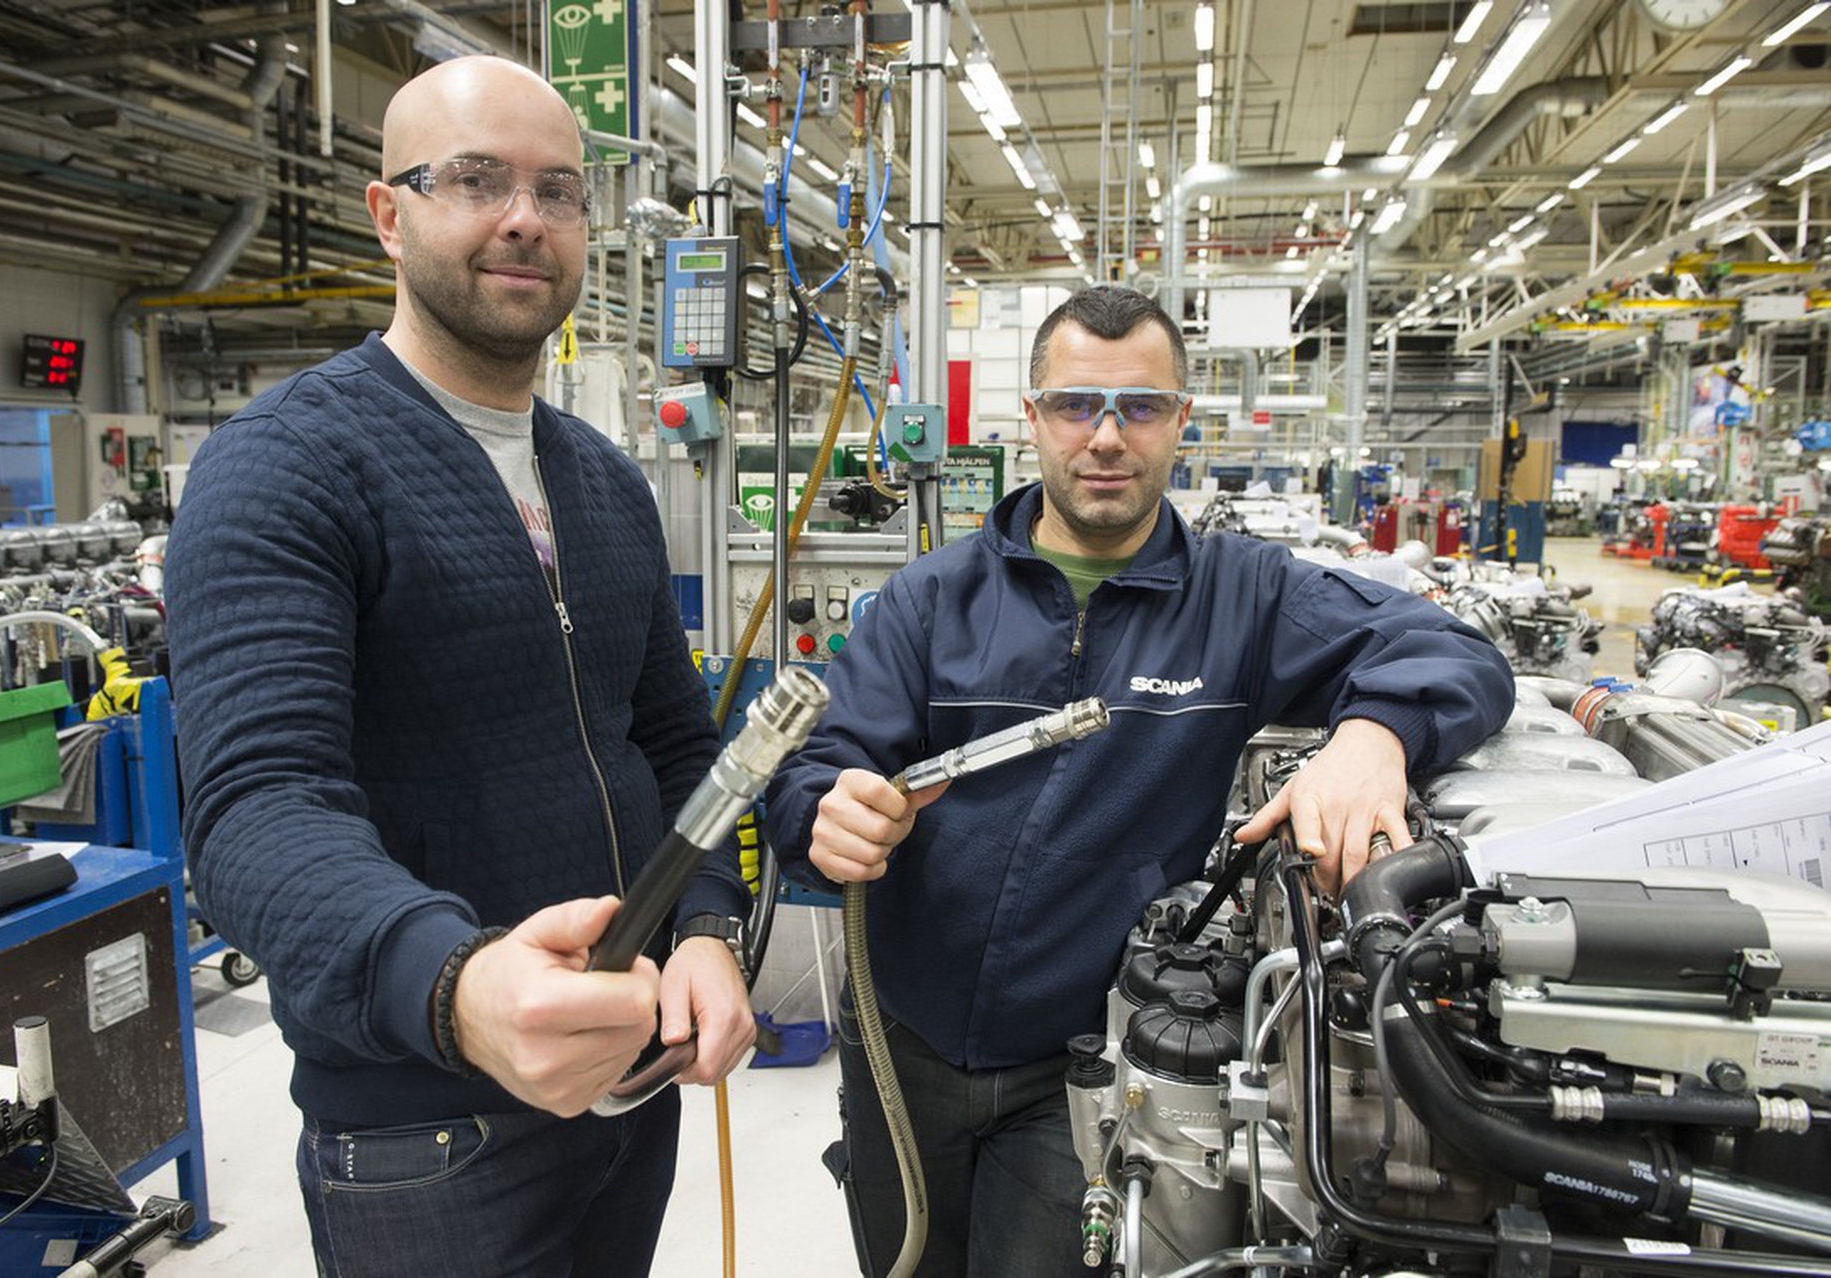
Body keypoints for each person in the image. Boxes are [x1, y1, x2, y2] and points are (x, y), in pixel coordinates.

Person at [764, 286, 1515, 1277]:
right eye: (1077, 405)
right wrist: (827, 812)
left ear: (1181, 424)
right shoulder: (930, 601)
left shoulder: (1242, 597)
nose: (1106, 438)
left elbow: (1456, 652)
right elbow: (810, 774)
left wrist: (1375, 735)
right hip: (899, 1048)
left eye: (1140, 408)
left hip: (1075, 1073)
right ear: (1032, 419)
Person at [165, 56, 754, 1278]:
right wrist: (457, 984)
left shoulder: (605, 480)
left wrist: (706, 925)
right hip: (427, 1123)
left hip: (625, 1073)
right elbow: (257, 809)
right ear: (390, 213)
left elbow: (676, 745)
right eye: (475, 180)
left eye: (559, 190)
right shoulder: (286, 466)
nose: (524, 218)